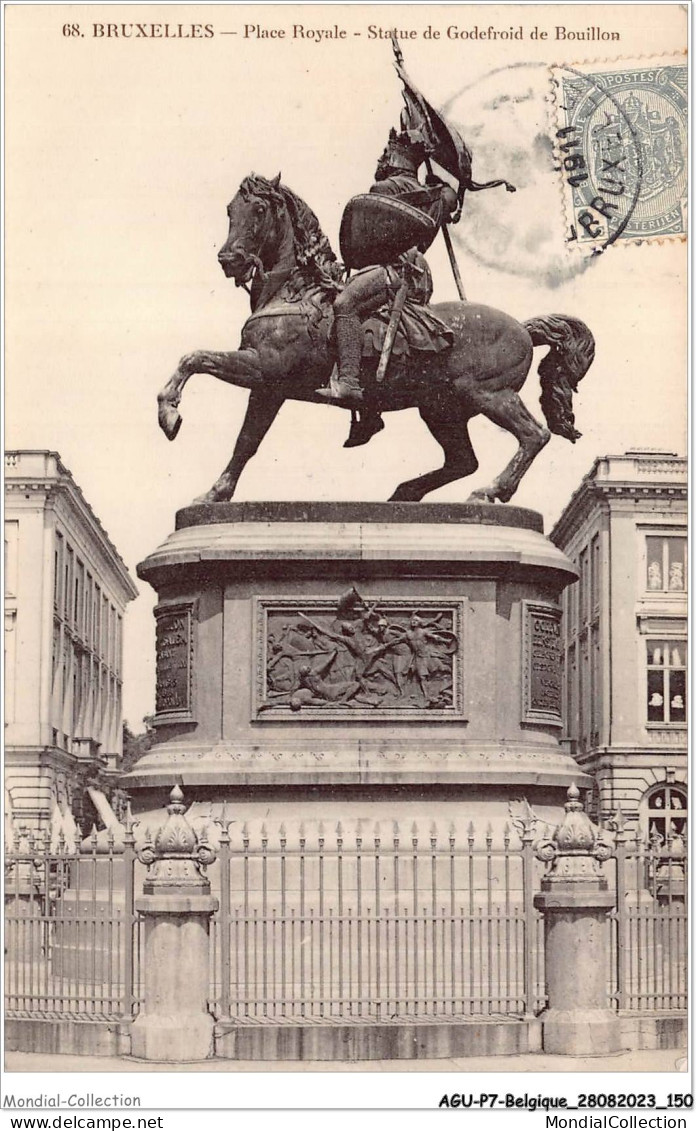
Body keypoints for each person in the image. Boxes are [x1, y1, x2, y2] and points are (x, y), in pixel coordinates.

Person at [316, 128, 458, 444]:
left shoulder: (386, 187)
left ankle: (350, 383)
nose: (381, 157)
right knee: (370, 325)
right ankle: (370, 412)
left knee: (345, 305)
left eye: (386, 152)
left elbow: (373, 238)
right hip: (418, 274)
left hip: (396, 271)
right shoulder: (430, 195)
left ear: (395, 156)